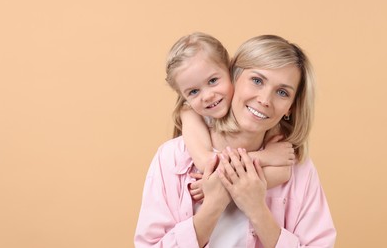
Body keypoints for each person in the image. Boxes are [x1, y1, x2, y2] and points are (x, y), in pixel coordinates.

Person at [134, 34, 336, 247]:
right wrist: (215, 204)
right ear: (233, 77)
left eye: (282, 92)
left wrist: (256, 209)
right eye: (257, 81)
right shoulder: (172, 158)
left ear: (291, 108)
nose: (265, 100)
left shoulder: (297, 169)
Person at [164, 32, 295, 201]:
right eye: (194, 92)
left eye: (212, 81)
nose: (208, 96)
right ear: (185, 96)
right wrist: (264, 157)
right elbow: (206, 163)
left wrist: (218, 188)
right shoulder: (191, 114)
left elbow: (282, 173)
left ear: (231, 71)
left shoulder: (262, 114)